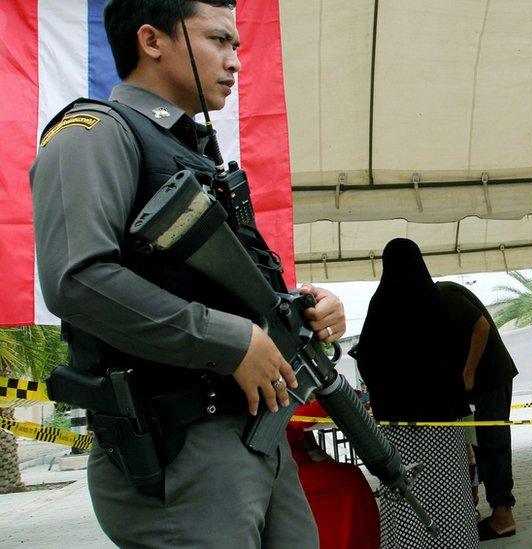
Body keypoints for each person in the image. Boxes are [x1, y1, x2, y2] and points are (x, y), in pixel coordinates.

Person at [30, 1, 346, 546]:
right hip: (179, 448)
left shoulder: (192, 153)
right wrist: (231, 342)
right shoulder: (92, 133)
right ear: (153, 41)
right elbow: (76, 279)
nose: (235, 62)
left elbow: (217, 284)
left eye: (236, 46)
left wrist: (301, 309)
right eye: (219, 41)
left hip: (253, 436)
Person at [355, 238, 477, 548]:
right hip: (443, 425)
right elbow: (455, 349)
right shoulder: (436, 302)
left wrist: (388, 391)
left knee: (406, 494)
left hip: (399, 428)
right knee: (449, 492)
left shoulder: (380, 304)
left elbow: (367, 358)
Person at [435, 280, 519, 540]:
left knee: (494, 444)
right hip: (479, 386)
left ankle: (504, 516)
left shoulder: (443, 294)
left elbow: (480, 326)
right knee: (482, 446)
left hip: (490, 378)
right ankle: (497, 512)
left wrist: (468, 371)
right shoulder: (434, 303)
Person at [285, 401, 381, 549]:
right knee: (349, 479)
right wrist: (340, 398)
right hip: (287, 468)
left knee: (349, 475)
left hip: (293, 462)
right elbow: (299, 417)